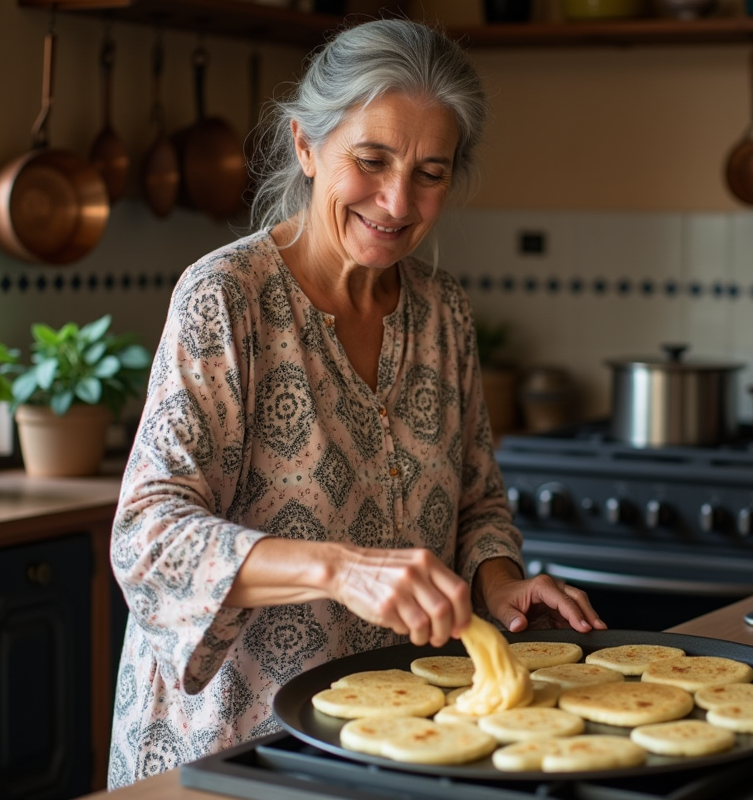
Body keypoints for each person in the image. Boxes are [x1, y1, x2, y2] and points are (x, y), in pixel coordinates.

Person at [107, 18, 605, 788]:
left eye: (431, 173)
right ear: (307, 146)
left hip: (403, 741)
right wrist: (343, 569)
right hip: (238, 748)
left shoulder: (445, 314)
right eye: (370, 161)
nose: (397, 201)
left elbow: (476, 502)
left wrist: (501, 580)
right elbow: (150, 538)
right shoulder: (226, 299)